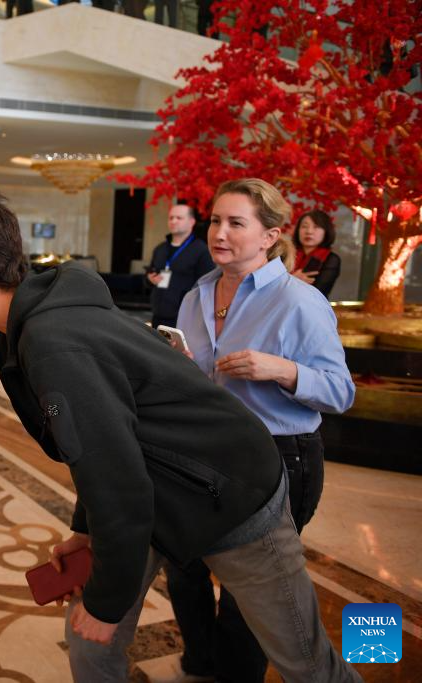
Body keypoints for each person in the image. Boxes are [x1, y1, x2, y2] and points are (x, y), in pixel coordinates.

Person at [0, 182, 361, 683]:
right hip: (159, 488)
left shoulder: (53, 341)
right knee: (89, 638)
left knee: (306, 662)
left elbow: (116, 478)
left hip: (234, 494)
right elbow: (98, 443)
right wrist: (85, 530)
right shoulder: (25, 327)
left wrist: (107, 604)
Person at [169, 179, 355, 682]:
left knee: (247, 595)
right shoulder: (197, 294)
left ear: (270, 236)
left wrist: (282, 370)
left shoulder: (300, 301)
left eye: (236, 223)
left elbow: (340, 391)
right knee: (183, 567)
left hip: (279, 457)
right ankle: (201, 663)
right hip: (207, 452)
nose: (219, 233)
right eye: (215, 221)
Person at [147, 204, 215, 328]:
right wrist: (150, 279)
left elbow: (207, 285)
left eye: (179, 218)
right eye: (171, 218)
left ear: (192, 222)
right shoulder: (160, 249)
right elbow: (149, 275)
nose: (173, 221)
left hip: (185, 317)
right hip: (158, 314)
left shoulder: (201, 250)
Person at [291, 209, 341, 298]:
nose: (309, 231)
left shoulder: (331, 259)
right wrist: (292, 279)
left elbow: (318, 293)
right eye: (304, 226)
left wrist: (291, 281)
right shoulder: (286, 254)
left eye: (316, 227)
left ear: (326, 231)